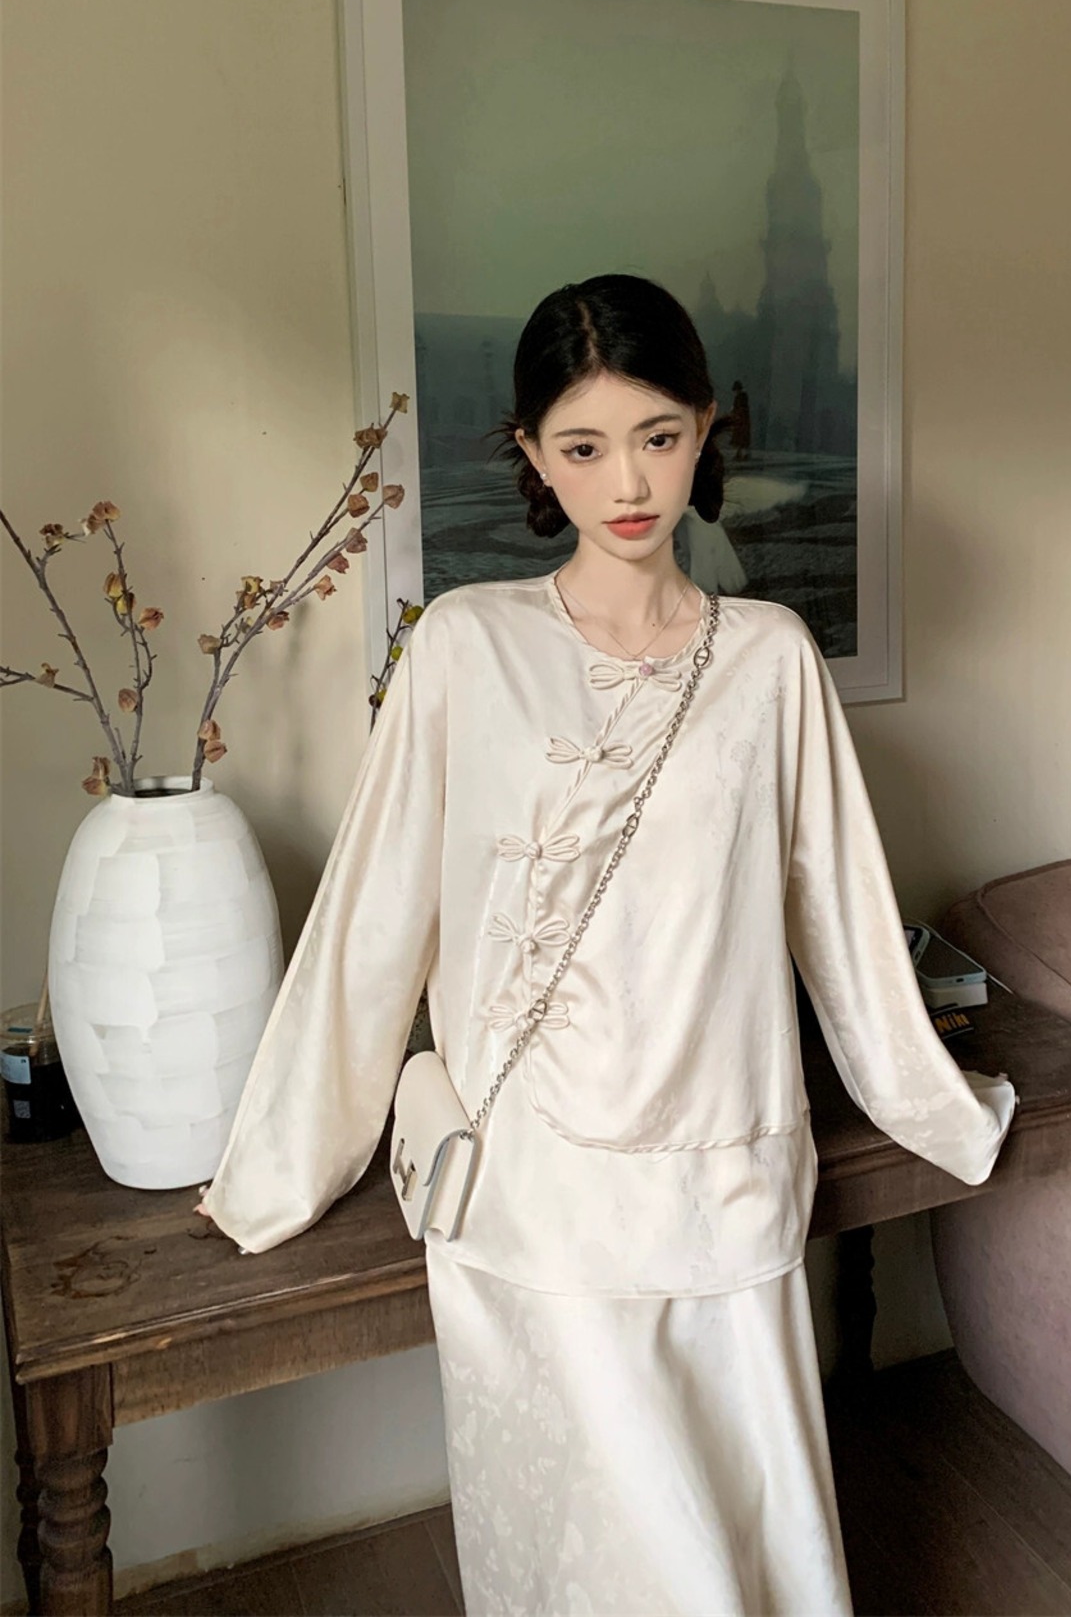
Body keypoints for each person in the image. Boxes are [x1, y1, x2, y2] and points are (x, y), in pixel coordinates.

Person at [200, 274, 1017, 1615]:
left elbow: (843, 916)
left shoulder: (771, 659)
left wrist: (934, 1101)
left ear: (705, 430)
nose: (626, 481)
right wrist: (279, 1165)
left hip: (724, 1172)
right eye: (582, 446)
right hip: (536, 1191)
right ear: (531, 453)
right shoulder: (466, 647)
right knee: (587, 1559)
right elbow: (371, 917)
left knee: (743, 1550)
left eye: (657, 436)